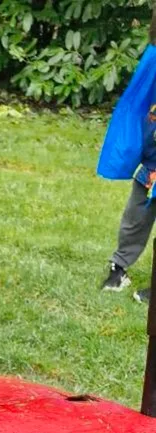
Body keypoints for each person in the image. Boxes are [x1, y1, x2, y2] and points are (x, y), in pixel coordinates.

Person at [100, 14, 156, 304]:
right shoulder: (154, 57)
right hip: (153, 163)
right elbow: (136, 105)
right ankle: (118, 268)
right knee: (135, 215)